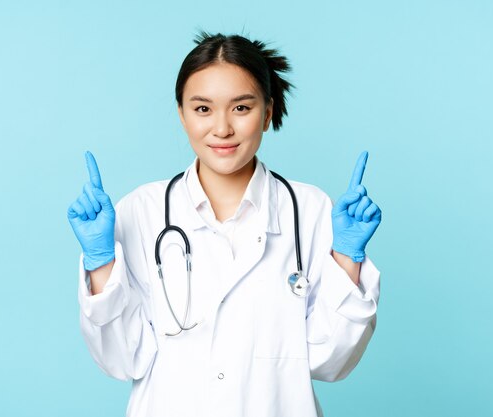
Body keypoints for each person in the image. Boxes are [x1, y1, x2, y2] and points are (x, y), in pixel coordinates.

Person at [67, 31, 382, 417]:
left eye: (241, 108)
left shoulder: (310, 210)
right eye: (202, 109)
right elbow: (122, 359)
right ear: (181, 115)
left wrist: (347, 258)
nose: (222, 129)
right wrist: (100, 261)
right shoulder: (141, 211)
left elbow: (329, 361)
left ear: (268, 112)